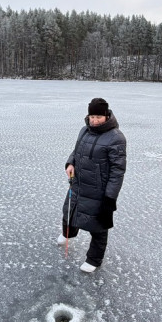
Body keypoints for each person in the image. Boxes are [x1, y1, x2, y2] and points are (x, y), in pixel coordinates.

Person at [59, 97, 127, 272]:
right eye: (92, 117)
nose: (95, 121)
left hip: (99, 190)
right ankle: (68, 234)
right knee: (69, 212)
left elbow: (117, 171)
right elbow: (76, 151)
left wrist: (110, 197)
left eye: (98, 117)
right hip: (78, 183)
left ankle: (94, 260)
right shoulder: (84, 130)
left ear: (106, 116)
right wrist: (70, 163)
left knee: (98, 226)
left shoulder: (116, 138)